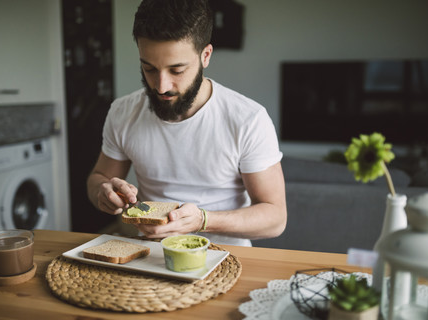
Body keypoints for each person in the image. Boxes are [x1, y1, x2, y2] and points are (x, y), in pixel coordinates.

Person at [87, 0, 287, 246]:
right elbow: (99, 177)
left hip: (227, 258)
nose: (161, 86)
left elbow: (276, 218)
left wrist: (203, 220)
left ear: (205, 56)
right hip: (150, 255)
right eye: (149, 68)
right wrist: (104, 191)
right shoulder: (122, 112)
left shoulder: (248, 119)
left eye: (177, 70)